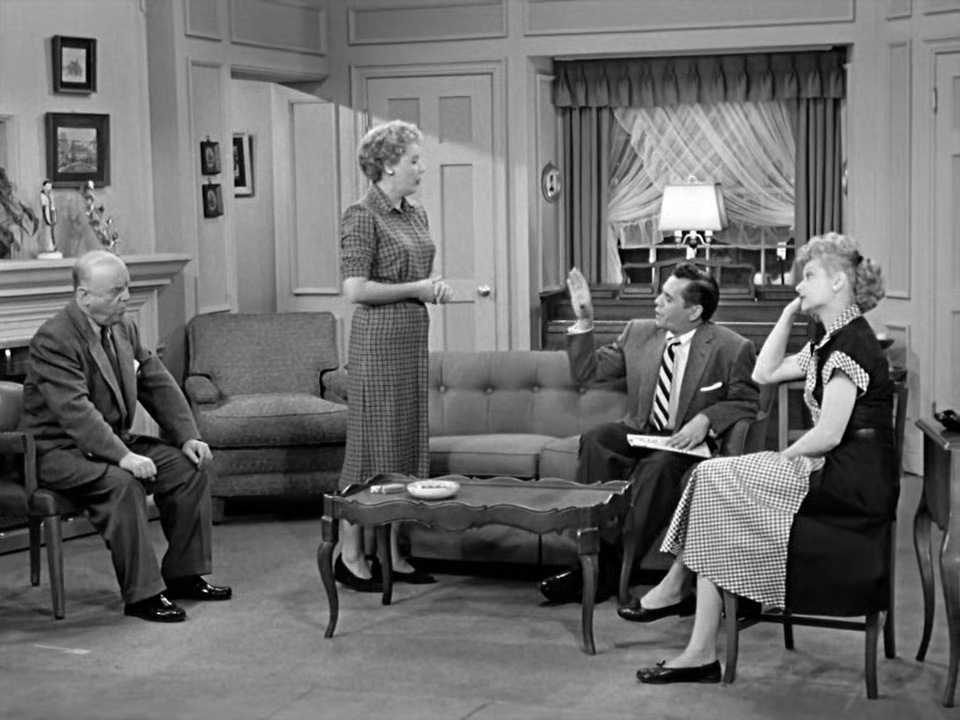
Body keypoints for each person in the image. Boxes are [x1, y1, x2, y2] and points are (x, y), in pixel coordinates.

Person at [634, 233, 893, 685]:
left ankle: (685, 607)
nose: (798, 284)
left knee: (711, 477)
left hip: (850, 480)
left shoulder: (852, 343)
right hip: (830, 469)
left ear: (837, 283)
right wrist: (789, 313)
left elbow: (829, 433)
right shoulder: (829, 340)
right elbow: (764, 372)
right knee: (711, 482)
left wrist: (780, 459)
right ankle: (695, 637)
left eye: (808, 276)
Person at [20, 250, 231, 623]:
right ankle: (142, 595)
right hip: (59, 452)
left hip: (112, 442)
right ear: (84, 296)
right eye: (116, 292)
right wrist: (124, 457)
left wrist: (188, 436)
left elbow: (155, 381)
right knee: (122, 484)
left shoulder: (123, 327)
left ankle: (184, 574)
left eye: (127, 288)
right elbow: (76, 412)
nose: (126, 298)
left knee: (187, 468)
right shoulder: (54, 338)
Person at [538, 263, 759, 605]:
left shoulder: (732, 347)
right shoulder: (638, 333)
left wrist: (707, 418)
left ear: (694, 311)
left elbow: (746, 401)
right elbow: (588, 372)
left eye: (668, 298)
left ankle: (610, 570)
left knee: (658, 467)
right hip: (641, 430)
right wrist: (584, 318)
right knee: (597, 439)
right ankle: (594, 554)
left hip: (684, 444)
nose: (656, 302)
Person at [335, 120, 452, 592]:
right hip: (378, 343)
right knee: (370, 450)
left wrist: (432, 289)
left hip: (410, 342)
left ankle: (393, 553)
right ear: (387, 165)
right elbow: (355, 289)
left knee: (403, 445)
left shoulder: (415, 214)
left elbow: (415, 276)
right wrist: (417, 288)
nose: (422, 168)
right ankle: (350, 554)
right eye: (414, 160)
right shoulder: (362, 215)